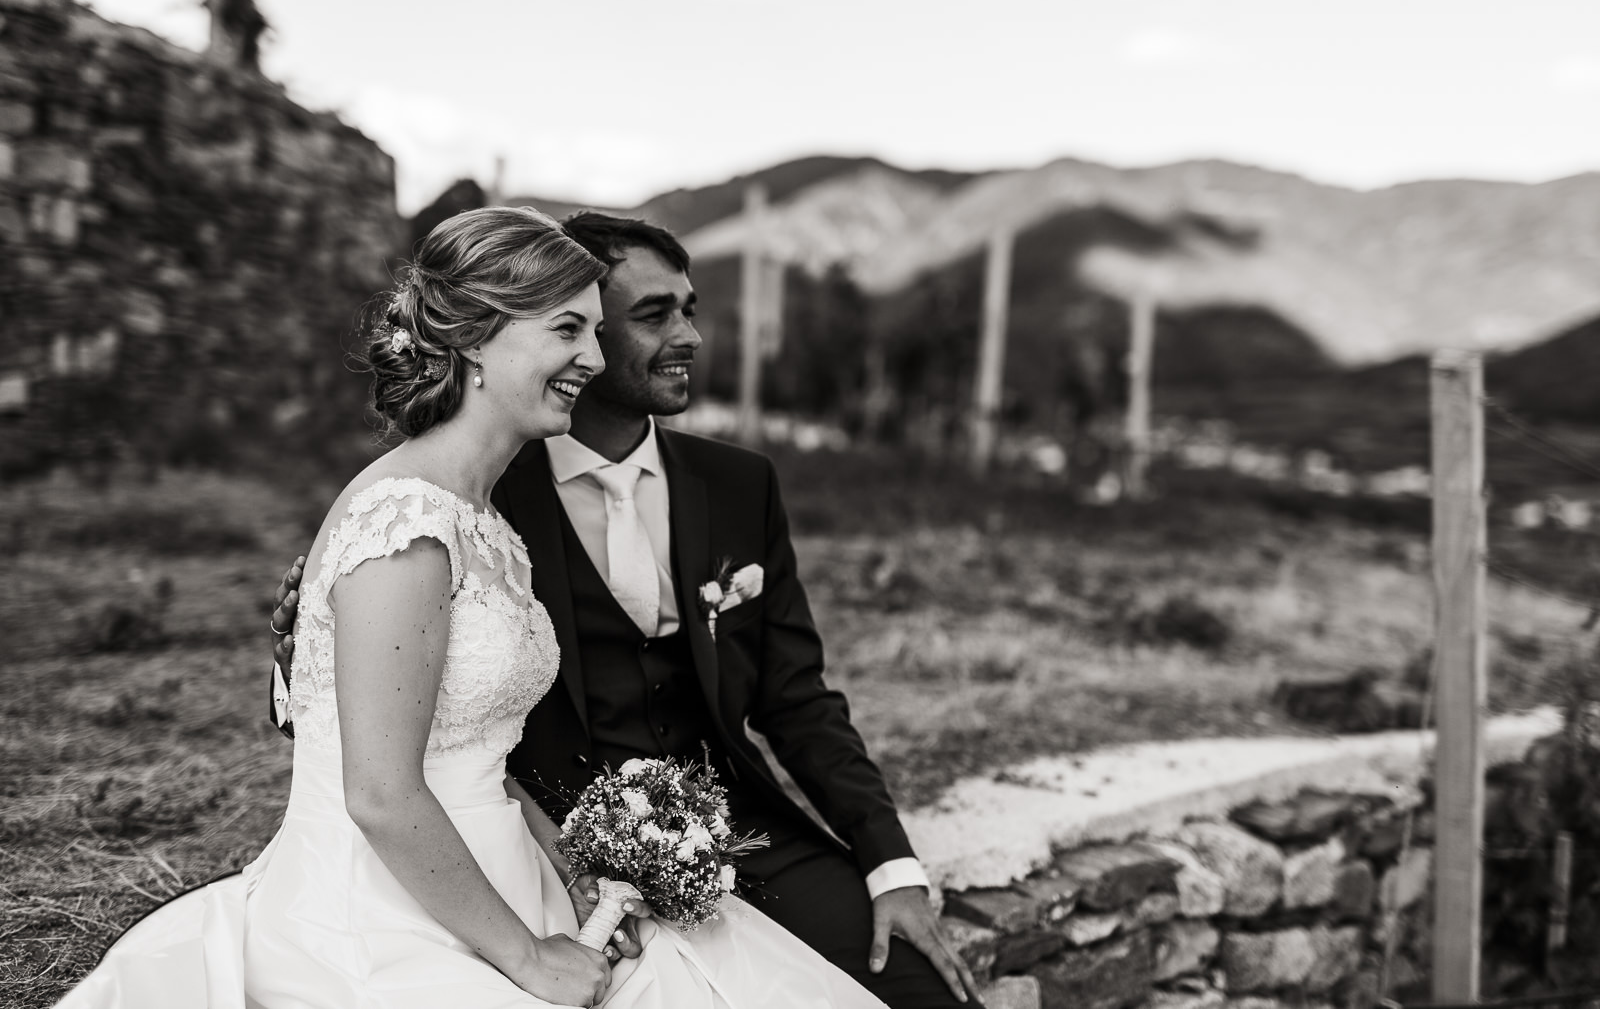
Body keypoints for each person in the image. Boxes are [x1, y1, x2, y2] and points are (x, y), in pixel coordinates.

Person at [59, 206, 887, 1009]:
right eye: (567, 330)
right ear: (477, 341)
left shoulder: (483, 517)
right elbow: (381, 793)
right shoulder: (409, 525)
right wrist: (529, 958)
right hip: (383, 912)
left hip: (505, 869)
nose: (594, 360)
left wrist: (570, 870)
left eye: (595, 332)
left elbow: (481, 752)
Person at [271, 212, 980, 1008]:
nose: (678, 337)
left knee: (921, 993)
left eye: (688, 310)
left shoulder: (727, 486)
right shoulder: (455, 497)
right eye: (610, 322)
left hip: (689, 834)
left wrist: (891, 863)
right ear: (479, 336)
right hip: (507, 855)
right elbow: (376, 752)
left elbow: (798, 695)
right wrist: (302, 654)